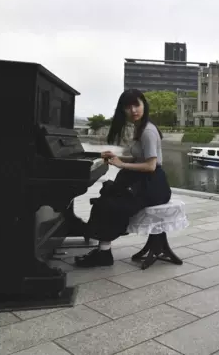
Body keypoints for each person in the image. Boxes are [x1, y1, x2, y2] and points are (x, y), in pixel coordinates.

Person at [74, 89, 172, 268]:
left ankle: (104, 253)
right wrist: (116, 159)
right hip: (146, 182)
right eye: (128, 107)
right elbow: (139, 159)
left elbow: (151, 165)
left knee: (109, 204)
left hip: (153, 186)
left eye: (137, 105)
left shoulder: (148, 131)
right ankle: (103, 251)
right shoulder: (140, 127)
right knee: (106, 198)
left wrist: (122, 165)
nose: (133, 110)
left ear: (144, 105)